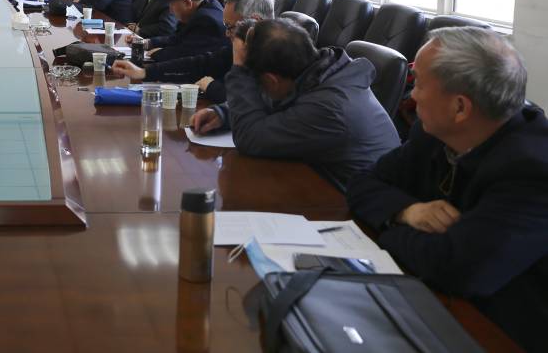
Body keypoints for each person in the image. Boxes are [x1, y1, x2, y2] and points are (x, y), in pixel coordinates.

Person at [347, 28, 548, 351]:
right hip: (432, 301)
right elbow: (361, 182)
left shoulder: (533, 171)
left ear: (460, 108)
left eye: (419, 85)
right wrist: (406, 211)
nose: (412, 96)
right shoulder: (433, 133)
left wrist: (388, 230)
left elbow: (456, 269)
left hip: (504, 330)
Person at [191, 18, 399, 189]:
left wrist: (239, 69)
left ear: (272, 80)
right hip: (317, 182)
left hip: (350, 208)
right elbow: (278, 100)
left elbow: (249, 138)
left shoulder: (328, 108)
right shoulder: (316, 71)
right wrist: (224, 113)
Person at [114, 0, 273, 100]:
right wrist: (145, 72)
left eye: (230, 26)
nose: (226, 33)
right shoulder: (243, 45)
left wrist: (213, 87)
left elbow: (249, 100)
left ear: (255, 21)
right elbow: (201, 62)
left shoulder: (275, 55)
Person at [142, 0, 227, 61]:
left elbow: (183, 54)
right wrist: (149, 43)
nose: (170, 10)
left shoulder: (207, 21)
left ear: (187, 3)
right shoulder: (207, 6)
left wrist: (156, 54)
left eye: (172, 3)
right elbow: (178, 38)